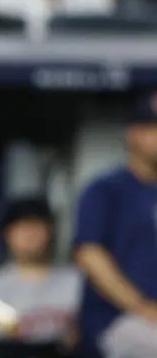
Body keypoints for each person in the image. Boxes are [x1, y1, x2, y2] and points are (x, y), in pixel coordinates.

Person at [73, 91, 157, 358]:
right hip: (115, 320)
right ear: (133, 133)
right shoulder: (106, 189)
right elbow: (90, 256)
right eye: (153, 128)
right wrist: (141, 306)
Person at [0, 198, 81, 358]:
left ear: (50, 232)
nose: (30, 234)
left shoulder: (75, 280)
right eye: (22, 228)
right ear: (8, 235)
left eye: (36, 226)